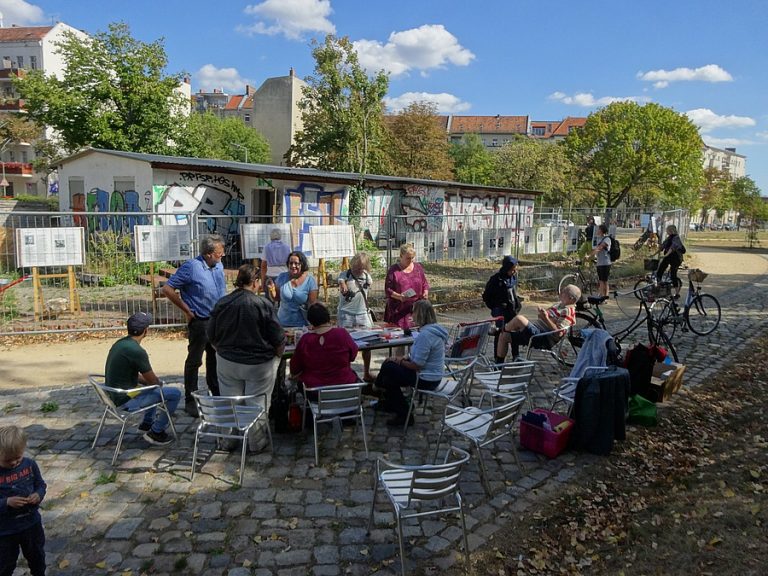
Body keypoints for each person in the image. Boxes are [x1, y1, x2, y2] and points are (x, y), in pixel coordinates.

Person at [207, 264, 285, 453]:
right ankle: (255, 442)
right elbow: (278, 338)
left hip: (227, 361)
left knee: (229, 400)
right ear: (256, 281)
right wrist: (278, 355)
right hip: (258, 364)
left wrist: (222, 350)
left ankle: (228, 440)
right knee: (257, 403)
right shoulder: (263, 304)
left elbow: (211, 334)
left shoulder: (223, 302)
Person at [162, 234, 227, 417]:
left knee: (215, 360)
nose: (222, 257)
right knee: (194, 361)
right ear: (208, 254)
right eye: (219, 254)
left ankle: (217, 395)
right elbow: (168, 289)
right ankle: (191, 399)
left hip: (218, 321)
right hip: (200, 321)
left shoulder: (218, 265)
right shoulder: (191, 267)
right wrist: (187, 310)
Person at [104, 312, 182, 445]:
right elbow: (153, 382)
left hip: (113, 395)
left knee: (149, 389)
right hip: (125, 400)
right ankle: (156, 432)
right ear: (146, 331)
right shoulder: (137, 351)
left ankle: (146, 424)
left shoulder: (120, 344)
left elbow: (136, 376)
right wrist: (161, 384)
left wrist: (154, 383)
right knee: (175, 393)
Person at [374, 300, 447, 427]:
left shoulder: (426, 335)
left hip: (426, 378)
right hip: (432, 375)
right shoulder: (433, 330)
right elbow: (415, 356)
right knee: (389, 374)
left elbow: (416, 365)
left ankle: (380, 390)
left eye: (413, 312)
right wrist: (401, 359)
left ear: (419, 314)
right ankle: (395, 406)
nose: (411, 315)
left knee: (388, 367)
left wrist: (400, 361)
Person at [0, 425, 47, 576]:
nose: (14, 463)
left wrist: (38, 495)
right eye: (7, 460)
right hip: (5, 530)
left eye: (17, 458)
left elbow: (40, 485)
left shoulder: (30, 465)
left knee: (37, 557)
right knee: (5, 564)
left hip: (31, 524)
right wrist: (6, 502)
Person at [494, 284, 581, 364]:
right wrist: (542, 314)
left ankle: (499, 330)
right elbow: (544, 317)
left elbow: (559, 333)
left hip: (544, 337)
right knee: (503, 336)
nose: (561, 293)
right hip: (536, 332)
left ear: (571, 299)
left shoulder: (568, 311)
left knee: (519, 319)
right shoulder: (559, 305)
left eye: (564, 292)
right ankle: (498, 366)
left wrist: (546, 318)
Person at [290, 302, 360, 391]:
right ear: (327, 316)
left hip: (315, 392)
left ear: (310, 321)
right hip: (345, 388)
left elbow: (294, 369)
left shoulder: (305, 340)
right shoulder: (342, 334)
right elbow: (353, 355)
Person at [337, 252, 375, 382]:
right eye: (356, 266)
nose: (358, 269)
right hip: (346, 314)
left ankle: (366, 372)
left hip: (362, 313)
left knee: (368, 344)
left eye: (361, 267)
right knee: (344, 345)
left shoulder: (366, 277)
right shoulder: (345, 275)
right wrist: (343, 286)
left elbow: (369, 285)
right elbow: (341, 282)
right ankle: (345, 372)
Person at [482, 255, 523, 356]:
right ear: (506, 268)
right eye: (512, 270)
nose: (514, 272)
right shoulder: (496, 280)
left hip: (512, 310)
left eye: (515, 270)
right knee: (500, 333)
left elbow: (513, 292)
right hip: (501, 312)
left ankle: (515, 355)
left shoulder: (512, 278)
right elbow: (487, 296)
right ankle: (498, 357)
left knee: (514, 332)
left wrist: (517, 305)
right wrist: (495, 307)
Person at [383, 243, 429, 329]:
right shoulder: (393, 270)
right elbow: (388, 289)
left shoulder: (418, 267)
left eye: (412, 258)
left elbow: (424, 283)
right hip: (398, 311)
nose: (411, 260)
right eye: (408, 258)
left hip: (416, 310)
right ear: (401, 256)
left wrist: (425, 291)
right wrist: (399, 297)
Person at [274, 251, 318, 328]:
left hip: (303, 324)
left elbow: (312, 305)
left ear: (302, 264)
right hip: (283, 323)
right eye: (291, 263)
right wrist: (271, 289)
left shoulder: (310, 280)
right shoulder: (281, 277)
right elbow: (276, 298)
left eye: (296, 263)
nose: (293, 266)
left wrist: (314, 323)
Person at [656, 224, 686, 298]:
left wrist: (665, 255)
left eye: (667, 231)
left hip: (676, 259)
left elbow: (672, 248)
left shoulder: (676, 238)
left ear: (671, 231)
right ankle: (659, 289)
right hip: (668, 258)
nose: (666, 232)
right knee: (660, 271)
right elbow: (662, 246)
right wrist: (655, 253)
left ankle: (677, 293)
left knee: (673, 275)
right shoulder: (669, 238)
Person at [260, 228, 291, 297]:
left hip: (270, 275)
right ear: (280, 236)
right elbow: (290, 263)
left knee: (269, 297)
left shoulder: (266, 247)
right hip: (283, 274)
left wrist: (262, 281)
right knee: (283, 298)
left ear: (270, 237)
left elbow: (263, 265)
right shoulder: (287, 247)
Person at [590, 224, 611, 297]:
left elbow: (600, 248)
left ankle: (605, 295)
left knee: (605, 281)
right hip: (599, 263)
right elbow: (596, 249)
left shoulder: (607, 239)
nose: (597, 230)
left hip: (605, 263)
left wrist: (589, 255)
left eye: (599, 229)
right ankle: (601, 295)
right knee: (601, 280)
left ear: (602, 231)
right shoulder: (598, 239)